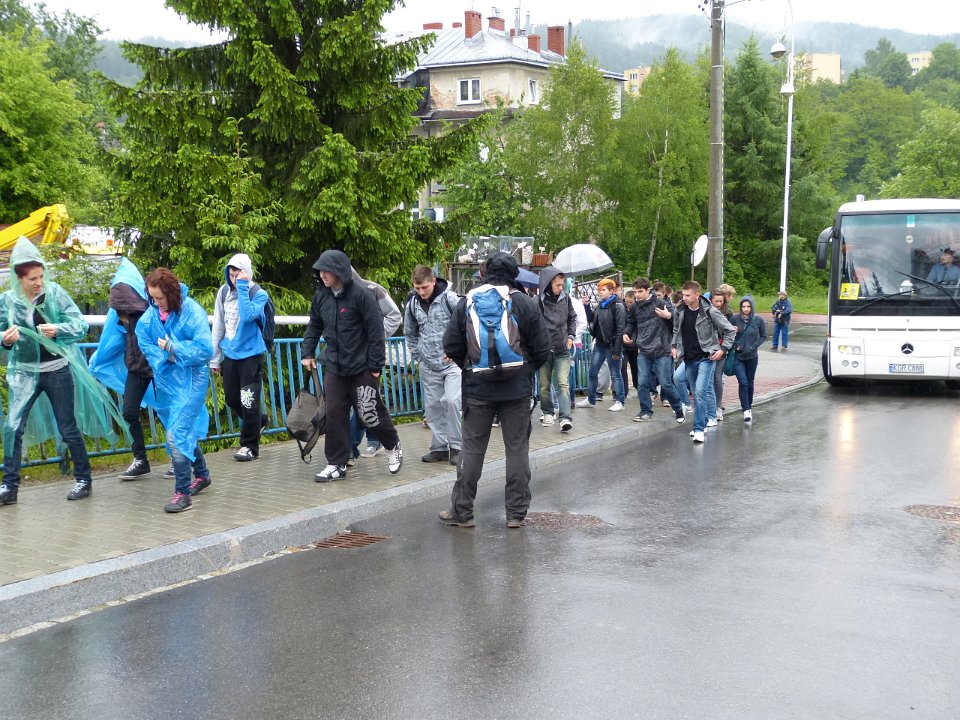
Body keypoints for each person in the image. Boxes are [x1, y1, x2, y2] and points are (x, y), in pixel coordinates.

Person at [439, 251, 550, 529]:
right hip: (516, 390)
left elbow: (450, 344)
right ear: (514, 274)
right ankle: (515, 514)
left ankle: (462, 512)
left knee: (472, 450)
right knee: (517, 450)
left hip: (478, 389)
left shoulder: (468, 301)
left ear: (485, 272)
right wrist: (524, 369)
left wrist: (473, 366)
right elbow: (543, 348)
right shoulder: (525, 303)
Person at [0, 238, 106, 505]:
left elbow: (79, 324)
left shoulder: (54, 293)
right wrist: (5, 339)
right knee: (12, 427)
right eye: (33, 278)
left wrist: (58, 329)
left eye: (41, 276)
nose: (39, 282)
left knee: (67, 427)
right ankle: (9, 486)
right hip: (24, 372)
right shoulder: (8, 301)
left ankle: (83, 480)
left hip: (57, 369)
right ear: (19, 278)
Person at [301, 250, 402, 482]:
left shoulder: (362, 295)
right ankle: (337, 463)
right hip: (335, 366)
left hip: (362, 366)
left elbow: (376, 333)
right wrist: (307, 352)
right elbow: (314, 325)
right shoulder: (321, 296)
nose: (322, 275)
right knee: (334, 413)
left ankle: (392, 445)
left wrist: (375, 366)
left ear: (339, 271)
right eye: (320, 271)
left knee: (369, 412)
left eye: (327, 271)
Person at [137, 268, 214, 513]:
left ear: (171, 293)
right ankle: (202, 475)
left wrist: (174, 348)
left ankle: (183, 493)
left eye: (159, 297)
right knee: (183, 430)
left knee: (176, 434)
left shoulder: (192, 311)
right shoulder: (151, 315)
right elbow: (143, 340)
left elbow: (205, 349)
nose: (155, 302)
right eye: (152, 297)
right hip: (168, 383)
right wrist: (165, 356)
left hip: (192, 381)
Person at [89, 258, 158, 479]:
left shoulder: (152, 312)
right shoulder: (121, 317)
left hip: (158, 370)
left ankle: (181, 458)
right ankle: (140, 459)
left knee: (170, 412)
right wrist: (97, 360)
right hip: (136, 370)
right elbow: (111, 342)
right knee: (129, 412)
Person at [210, 253, 270, 462]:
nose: (235, 278)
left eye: (239, 273)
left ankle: (249, 446)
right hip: (230, 354)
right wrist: (215, 358)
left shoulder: (258, 294)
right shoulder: (223, 292)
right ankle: (259, 421)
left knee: (248, 400)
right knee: (232, 398)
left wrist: (243, 287)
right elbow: (219, 324)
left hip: (251, 355)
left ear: (247, 272)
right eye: (231, 273)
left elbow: (247, 315)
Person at [404, 265, 461, 465]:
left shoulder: (450, 299)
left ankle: (457, 447)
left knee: (452, 401)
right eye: (417, 288)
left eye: (424, 287)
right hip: (428, 364)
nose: (421, 292)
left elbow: (467, 325)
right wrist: (419, 357)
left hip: (453, 363)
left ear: (433, 281)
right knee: (433, 407)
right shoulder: (412, 305)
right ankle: (439, 448)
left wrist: (458, 351)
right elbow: (410, 333)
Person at [671, 281, 735, 444]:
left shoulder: (709, 311)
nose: (684, 298)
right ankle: (704, 421)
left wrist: (723, 349)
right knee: (695, 391)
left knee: (700, 392)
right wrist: (674, 346)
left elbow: (730, 330)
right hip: (689, 358)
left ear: (696, 295)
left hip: (707, 358)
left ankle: (699, 428)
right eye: (683, 295)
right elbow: (676, 330)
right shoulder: (680, 310)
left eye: (687, 295)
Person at [351, 267, 402, 460]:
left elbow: (394, 315)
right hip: (347, 358)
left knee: (366, 400)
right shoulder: (332, 294)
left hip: (370, 356)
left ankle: (357, 445)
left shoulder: (372, 289)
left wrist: (376, 336)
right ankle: (362, 444)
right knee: (360, 402)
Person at [624, 278, 685, 424]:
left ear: (648, 290)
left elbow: (678, 322)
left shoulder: (661, 304)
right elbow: (631, 323)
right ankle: (646, 411)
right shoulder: (635, 307)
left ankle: (678, 408)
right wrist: (627, 333)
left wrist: (668, 316)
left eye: (640, 291)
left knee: (666, 383)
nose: (637, 295)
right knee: (642, 382)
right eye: (635, 292)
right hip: (644, 350)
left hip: (662, 350)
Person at [536, 266, 577, 433]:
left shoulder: (566, 299)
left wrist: (571, 336)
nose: (561, 288)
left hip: (562, 350)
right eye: (557, 285)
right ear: (548, 284)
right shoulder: (538, 301)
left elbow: (572, 317)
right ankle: (548, 412)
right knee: (544, 385)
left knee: (563, 384)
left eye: (562, 284)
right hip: (544, 350)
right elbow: (533, 323)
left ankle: (565, 417)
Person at [576, 278, 626, 412]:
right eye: (599, 290)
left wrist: (617, 350)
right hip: (599, 344)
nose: (600, 292)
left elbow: (620, 330)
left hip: (611, 345)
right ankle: (591, 399)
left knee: (615, 374)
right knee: (592, 372)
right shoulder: (601, 305)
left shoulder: (618, 306)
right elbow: (591, 319)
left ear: (611, 291)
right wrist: (586, 305)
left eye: (603, 290)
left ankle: (620, 401)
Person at [731, 296, 767, 423]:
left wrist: (754, 346)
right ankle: (745, 410)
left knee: (750, 383)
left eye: (748, 306)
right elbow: (727, 334)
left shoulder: (758, 320)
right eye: (743, 306)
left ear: (752, 307)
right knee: (743, 382)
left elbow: (763, 336)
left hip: (752, 357)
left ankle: (749, 406)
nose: (746, 309)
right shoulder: (734, 319)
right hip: (738, 357)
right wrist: (735, 343)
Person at [710, 288, 733, 421]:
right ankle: (708, 405)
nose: (718, 304)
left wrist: (724, 348)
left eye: (721, 301)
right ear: (711, 300)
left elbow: (730, 330)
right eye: (716, 301)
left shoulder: (727, 313)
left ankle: (718, 406)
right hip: (707, 349)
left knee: (717, 378)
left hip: (721, 349)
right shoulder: (705, 311)